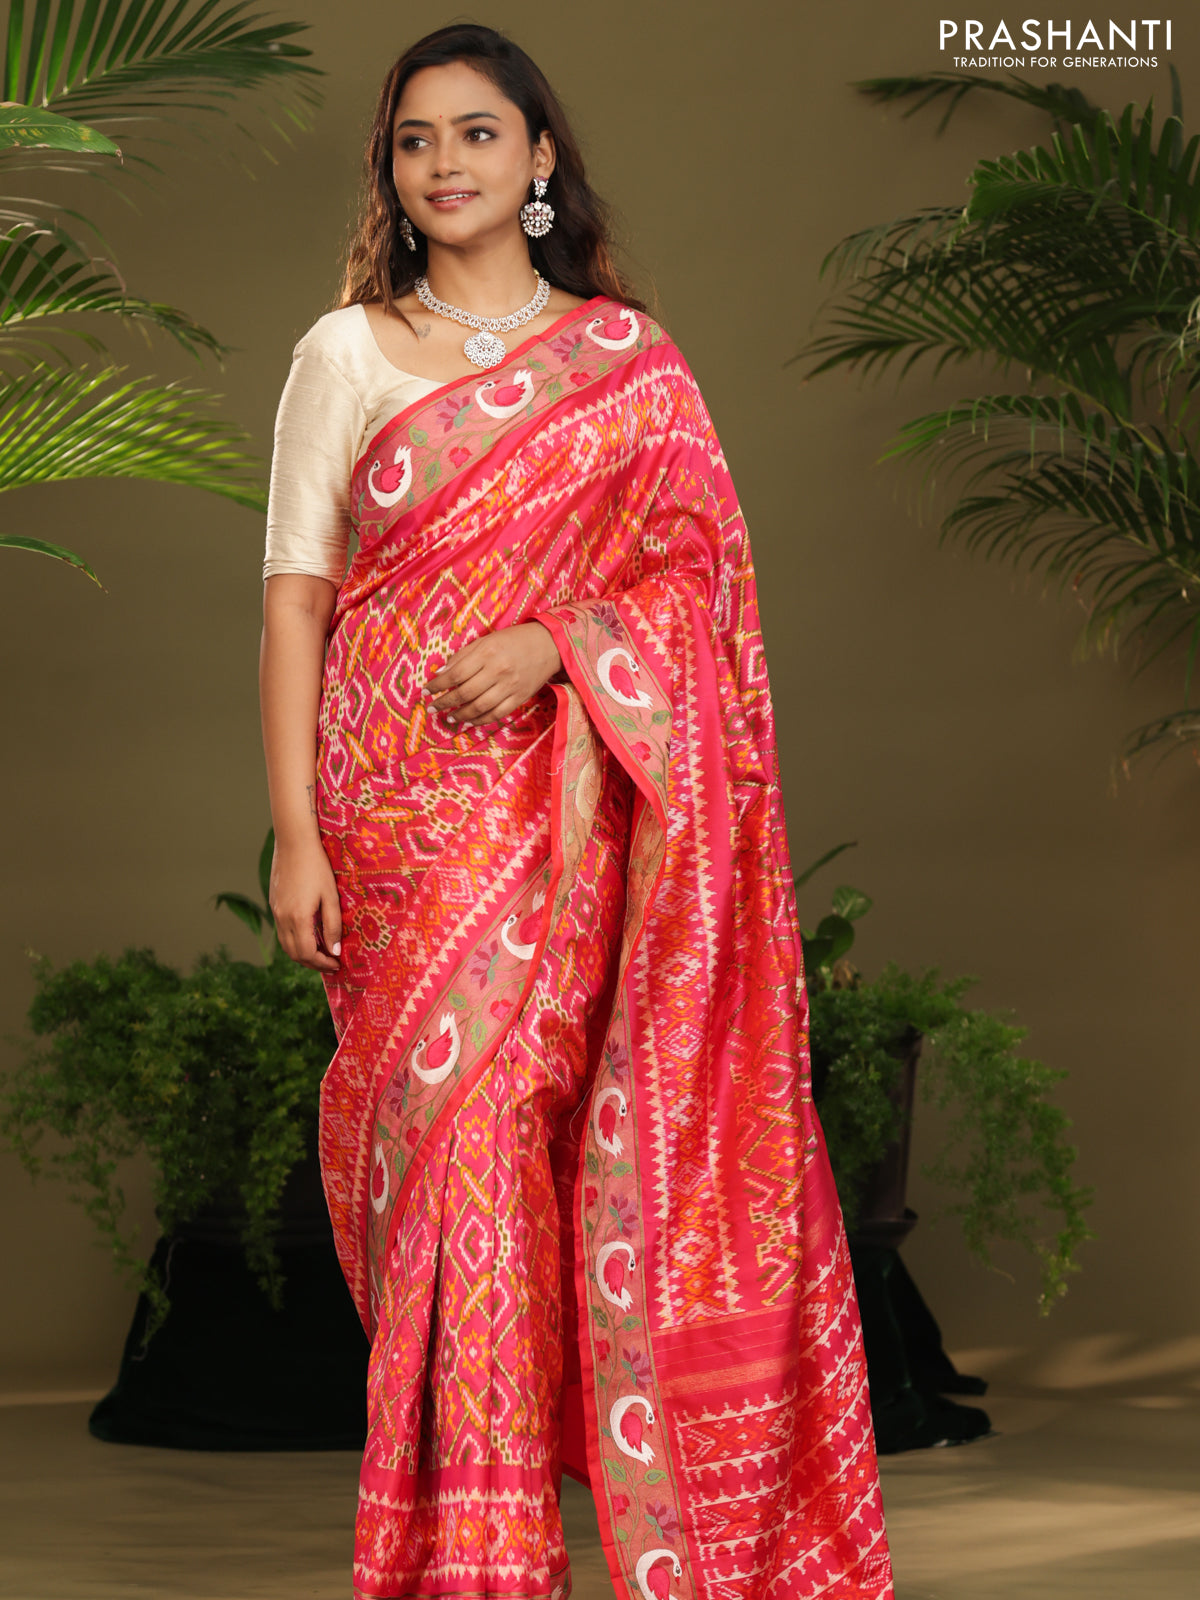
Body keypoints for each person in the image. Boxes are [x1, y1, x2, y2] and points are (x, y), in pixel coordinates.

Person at [259, 23, 893, 1600]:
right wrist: (296, 831)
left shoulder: (629, 364)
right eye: (416, 140)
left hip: (566, 816)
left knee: (508, 1150)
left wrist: (560, 642)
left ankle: (488, 1558)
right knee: (445, 1164)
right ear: (389, 170)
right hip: (395, 818)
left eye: (479, 133)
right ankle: (466, 1560)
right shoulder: (343, 353)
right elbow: (294, 601)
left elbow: (702, 594)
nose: (447, 164)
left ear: (540, 158)